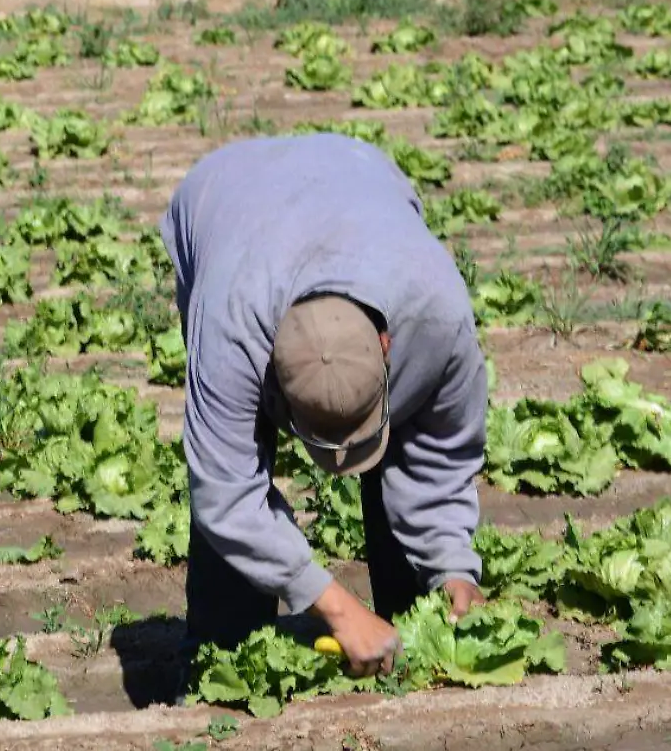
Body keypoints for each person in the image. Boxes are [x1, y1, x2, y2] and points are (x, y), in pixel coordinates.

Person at [160, 132, 488, 678]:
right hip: (229, 200)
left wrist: (453, 567)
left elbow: (443, 453)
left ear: (388, 347)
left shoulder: (437, 319)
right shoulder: (232, 327)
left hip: (360, 173)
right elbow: (226, 491)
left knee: (418, 546)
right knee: (234, 495)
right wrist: (336, 608)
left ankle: (410, 633)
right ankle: (228, 660)